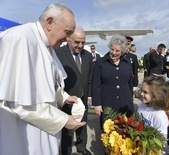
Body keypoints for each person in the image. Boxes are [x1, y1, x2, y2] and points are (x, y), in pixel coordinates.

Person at [0, 3, 86, 155]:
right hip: (23, 136)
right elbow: (16, 102)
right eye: (67, 32)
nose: (67, 40)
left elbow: (47, 82)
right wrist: (63, 120)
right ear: (50, 22)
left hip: (43, 131)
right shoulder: (19, 39)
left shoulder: (46, 43)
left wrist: (63, 97)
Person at [56, 27, 93, 155]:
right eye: (77, 42)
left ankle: (81, 149)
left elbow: (89, 77)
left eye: (83, 42)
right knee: (67, 127)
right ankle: (66, 151)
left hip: (83, 97)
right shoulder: (58, 53)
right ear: (68, 39)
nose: (80, 45)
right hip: (67, 98)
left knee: (82, 125)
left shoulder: (87, 55)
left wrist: (89, 96)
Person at [92, 34, 134, 129]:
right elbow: (96, 84)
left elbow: (129, 83)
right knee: (109, 133)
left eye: (117, 50)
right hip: (108, 104)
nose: (114, 53)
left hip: (125, 103)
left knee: (127, 132)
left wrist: (130, 99)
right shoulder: (100, 62)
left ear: (122, 51)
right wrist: (97, 104)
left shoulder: (127, 63)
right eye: (112, 49)